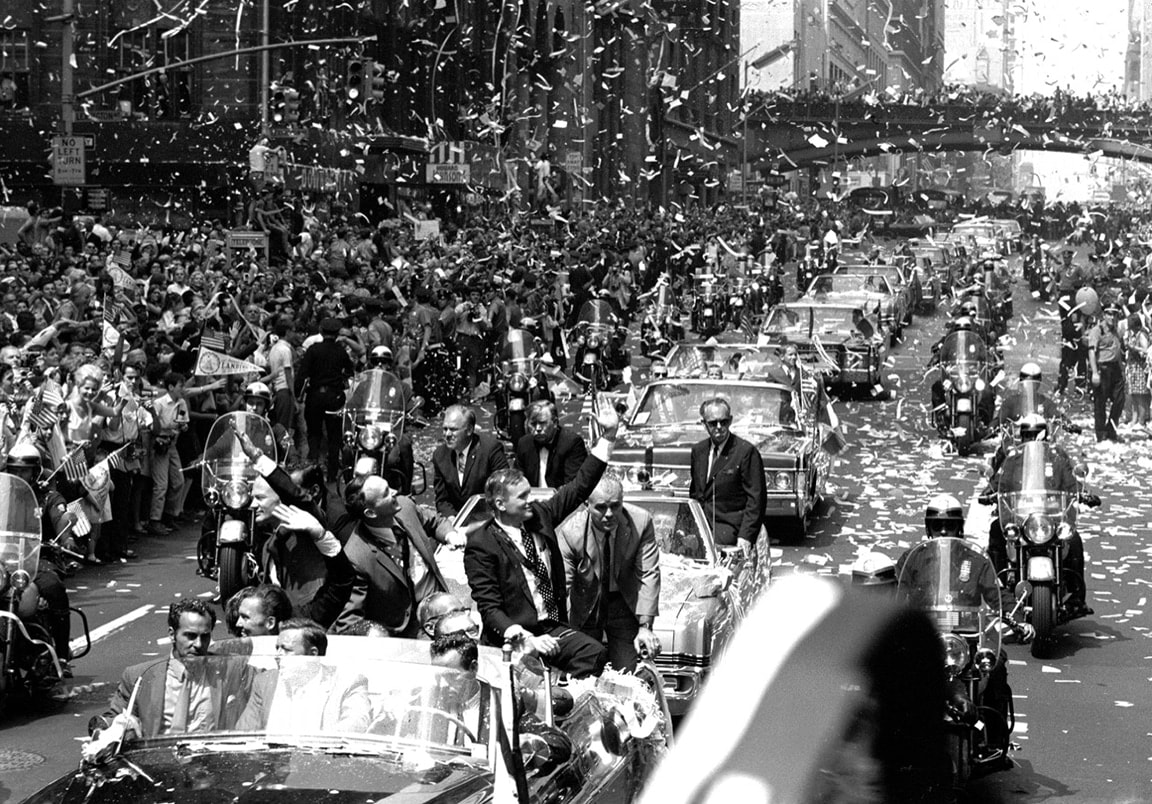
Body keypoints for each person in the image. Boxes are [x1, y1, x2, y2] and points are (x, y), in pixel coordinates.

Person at [463, 403, 621, 678]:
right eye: (522, 497)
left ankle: (567, 705)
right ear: (500, 504)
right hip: (512, 638)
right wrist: (521, 637)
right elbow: (489, 608)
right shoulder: (481, 543)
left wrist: (608, 437)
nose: (531, 500)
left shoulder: (540, 515)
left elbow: (580, 485)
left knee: (594, 654)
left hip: (549, 626)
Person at [896, 494, 1032, 764]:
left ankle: (996, 741)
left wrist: (1018, 618)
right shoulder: (913, 559)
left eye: (949, 526)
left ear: (960, 527)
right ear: (928, 528)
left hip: (966, 639)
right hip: (926, 638)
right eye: (938, 526)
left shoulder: (976, 559)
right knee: (897, 670)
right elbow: (897, 594)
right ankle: (896, 738)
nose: (944, 531)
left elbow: (996, 595)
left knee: (995, 666)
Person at [980, 415, 1095, 619]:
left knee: (1074, 540)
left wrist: (1083, 493)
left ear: (1046, 435)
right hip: (1021, 518)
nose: (1033, 439)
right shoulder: (1013, 458)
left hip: (1050, 518)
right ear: (1022, 436)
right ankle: (999, 590)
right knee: (997, 530)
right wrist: (989, 492)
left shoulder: (1058, 457)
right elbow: (1001, 482)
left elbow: (1069, 483)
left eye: (1037, 434)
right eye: (1029, 435)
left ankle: (1077, 597)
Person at [89, 599, 246, 739]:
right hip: (158, 764)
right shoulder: (139, 676)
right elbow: (116, 717)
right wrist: (109, 726)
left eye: (204, 636)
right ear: (172, 635)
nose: (198, 644)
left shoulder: (230, 668)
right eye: (190, 636)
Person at [332, 473, 464, 637]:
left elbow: (433, 521)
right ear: (371, 513)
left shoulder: (405, 506)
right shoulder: (356, 558)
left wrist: (449, 534)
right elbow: (349, 621)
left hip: (438, 608)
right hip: (402, 634)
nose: (395, 492)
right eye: (386, 493)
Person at [556, 474, 661, 672]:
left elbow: (648, 573)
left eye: (615, 506)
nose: (609, 514)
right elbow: (564, 587)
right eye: (601, 507)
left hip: (622, 602)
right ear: (587, 505)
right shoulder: (571, 532)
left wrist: (645, 627)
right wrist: (563, 631)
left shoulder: (641, 522)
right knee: (585, 671)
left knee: (627, 673)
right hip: (586, 604)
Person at [234, 618, 370, 733]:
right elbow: (245, 732)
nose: (277, 656)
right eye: (277, 648)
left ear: (312, 654)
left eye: (287, 650)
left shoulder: (347, 682)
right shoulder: (265, 682)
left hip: (321, 761)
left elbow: (356, 725)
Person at [688, 397, 765, 551]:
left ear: (730, 421)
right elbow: (696, 493)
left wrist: (746, 536)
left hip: (730, 530)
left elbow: (756, 500)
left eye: (723, 422)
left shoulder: (745, 452)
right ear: (704, 424)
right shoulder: (699, 451)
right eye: (713, 423)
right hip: (702, 527)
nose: (719, 427)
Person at [295, 317, 355, 477]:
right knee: (334, 436)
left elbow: (302, 374)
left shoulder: (313, 350)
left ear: (321, 331)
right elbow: (350, 370)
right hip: (334, 397)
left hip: (315, 397)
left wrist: (298, 395)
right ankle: (333, 472)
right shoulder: (340, 351)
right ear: (337, 334)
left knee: (314, 434)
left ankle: (313, 467)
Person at [432, 405, 509, 516]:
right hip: (456, 521)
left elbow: (504, 491)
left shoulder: (491, 450)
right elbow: (442, 500)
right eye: (445, 429)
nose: (447, 434)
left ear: (469, 430)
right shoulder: (440, 455)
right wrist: (452, 519)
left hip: (487, 518)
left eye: (453, 430)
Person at [515, 400, 587, 489]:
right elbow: (517, 481)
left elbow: (573, 486)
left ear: (555, 423)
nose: (537, 428)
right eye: (533, 424)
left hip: (560, 500)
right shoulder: (524, 443)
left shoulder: (572, 442)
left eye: (542, 423)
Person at [1087, 304, 1126, 442]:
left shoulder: (1116, 331)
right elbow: (1091, 351)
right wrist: (1095, 373)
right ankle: (1101, 432)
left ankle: (1111, 429)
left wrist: (1122, 369)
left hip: (1115, 369)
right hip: (1102, 369)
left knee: (1120, 400)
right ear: (1104, 315)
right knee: (1100, 403)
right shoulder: (1097, 331)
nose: (1112, 317)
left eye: (1114, 314)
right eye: (1109, 314)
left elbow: (1117, 352)